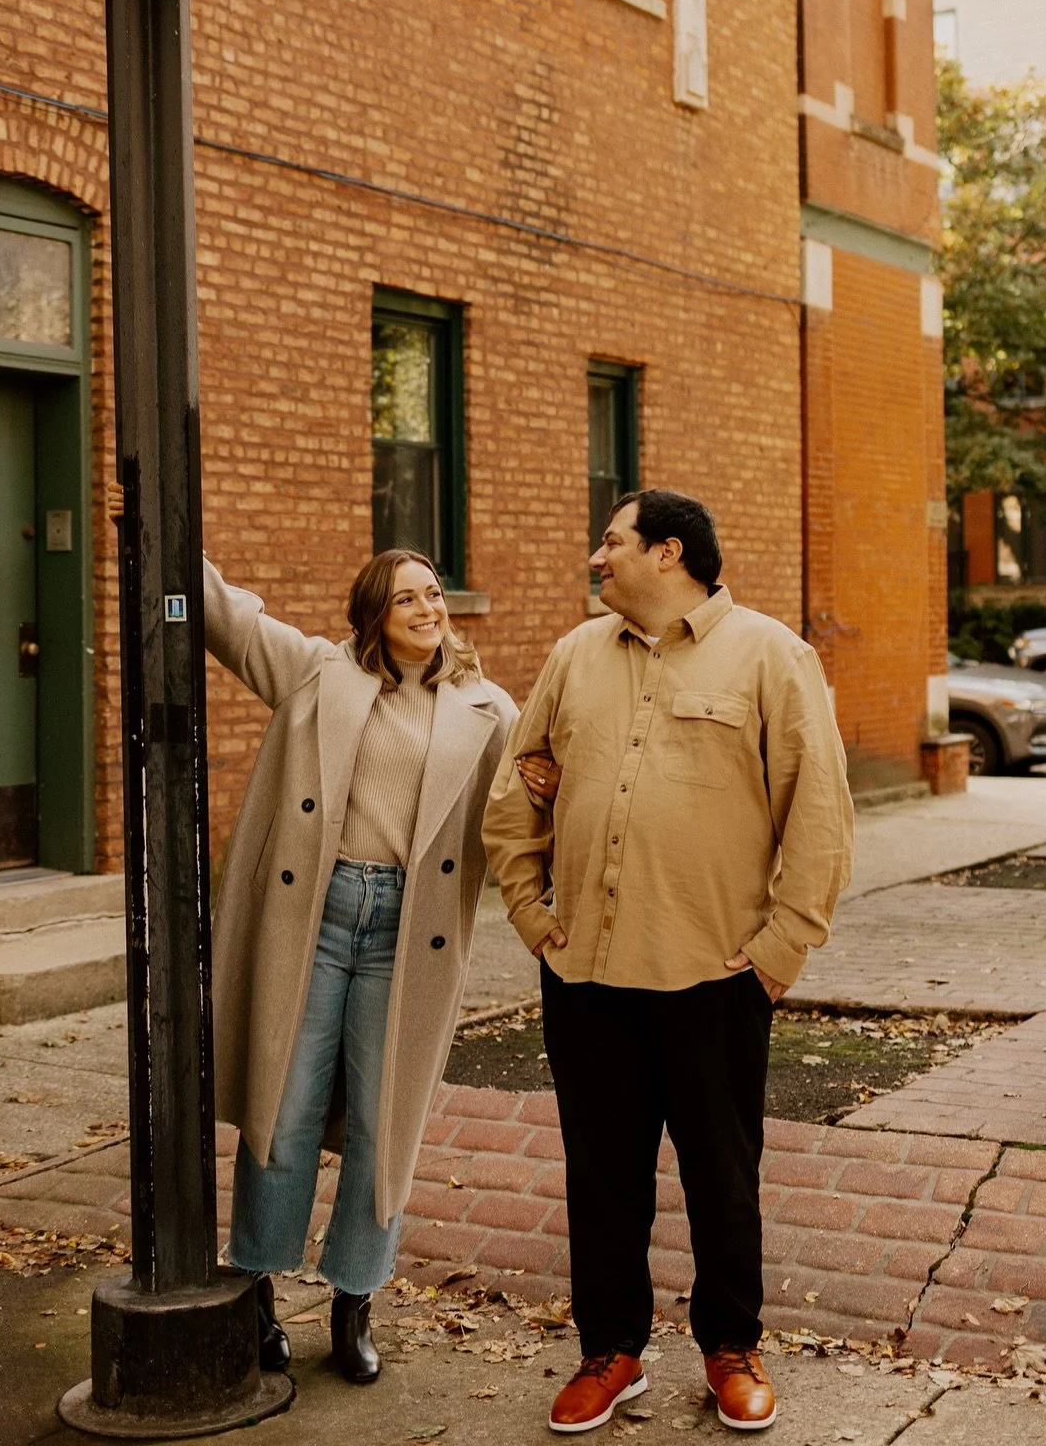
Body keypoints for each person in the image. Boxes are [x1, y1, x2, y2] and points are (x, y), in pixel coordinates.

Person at [484, 489, 853, 1435]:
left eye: (611, 542)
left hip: (713, 978)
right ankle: (610, 1352)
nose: (597, 559)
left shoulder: (773, 655)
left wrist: (778, 953)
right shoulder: (574, 657)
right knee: (600, 1176)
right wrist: (531, 915)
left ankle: (731, 1346)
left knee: (722, 1177)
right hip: (586, 977)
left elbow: (819, 816)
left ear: (669, 552)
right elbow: (514, 795)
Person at [201, 538, 517, 1386]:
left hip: (407, 936)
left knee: (384, 1122)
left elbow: (530, 819)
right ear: (373, 614)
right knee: (286, 1104)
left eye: (435, 594)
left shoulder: (488, 711)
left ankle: (353, 1301)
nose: (428, 609)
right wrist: (149, 515)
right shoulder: (317, 674)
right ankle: (258, 1292)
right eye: (406, 598)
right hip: (315, 917)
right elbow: (226, 614)